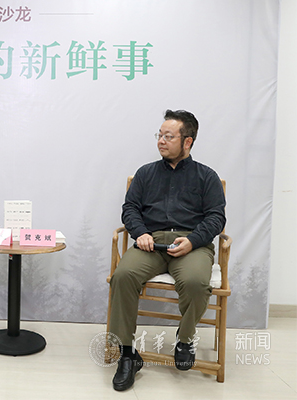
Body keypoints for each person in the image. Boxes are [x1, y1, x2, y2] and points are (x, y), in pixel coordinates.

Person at [109, 109, 226, 391]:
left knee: (196, 282)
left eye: (168, 136)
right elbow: (130, 209)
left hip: (191, 244)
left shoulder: (207, 176)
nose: (161, 141)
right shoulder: (146, 173)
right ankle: (127, 354)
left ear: (188, 141)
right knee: (123, 276)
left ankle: (184, 340)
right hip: (150, 242)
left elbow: (216, 217)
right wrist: (141, 233)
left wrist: (193, 240)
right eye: (159, 135)